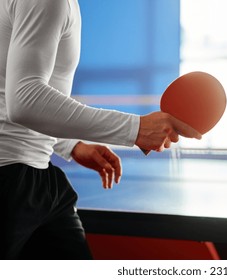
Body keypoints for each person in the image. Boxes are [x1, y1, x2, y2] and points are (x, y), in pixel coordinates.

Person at [0, 0, 201, 259]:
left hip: (37, 177)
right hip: (10, 180)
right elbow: (25, 100)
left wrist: (69, 145)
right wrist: (136, 128)